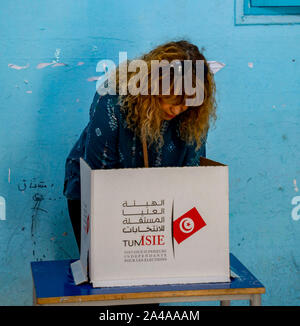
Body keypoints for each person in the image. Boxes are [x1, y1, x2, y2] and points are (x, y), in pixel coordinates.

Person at [63, 40, 216, 250]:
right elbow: (99, 180)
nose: (177, 109)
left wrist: (177, 241)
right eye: (172, 98)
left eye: (186, 101)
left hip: (160, 201)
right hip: (98, 190)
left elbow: (193, 178)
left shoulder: (193, 114)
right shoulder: (112, 100)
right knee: (104, 266)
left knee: (166, 268)